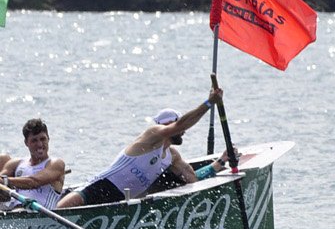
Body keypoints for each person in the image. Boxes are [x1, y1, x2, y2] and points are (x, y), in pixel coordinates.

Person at [55, 85, 224, 208]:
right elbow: (181, 126)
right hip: (103, 185)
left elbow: (192, 181)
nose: (183, 131)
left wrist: (218, 165)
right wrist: (208, 103)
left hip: (123, 201)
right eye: (177, 123)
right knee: (60, 211)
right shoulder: (153, 135)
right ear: (166, 125)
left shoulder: (172, 156)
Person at [0, 118, 68, 211]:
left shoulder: (56, 164)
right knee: (2, 158)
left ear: (48, 138)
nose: (40, 144)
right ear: (26, 143)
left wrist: (6, 181)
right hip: (14, 211)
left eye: (43, 139)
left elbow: (34, 182)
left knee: (19, 211)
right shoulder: (16, 163)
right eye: (34, 141)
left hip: (39, 215)